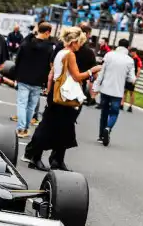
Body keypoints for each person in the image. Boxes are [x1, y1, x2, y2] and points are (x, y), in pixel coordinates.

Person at [24, 26, 101, 171]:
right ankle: (43, 158)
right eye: (79, 42)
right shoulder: (71, 54)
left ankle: (43, 157)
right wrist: (93, 70)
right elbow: (77, 76)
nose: (80, 45)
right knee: (56, 126)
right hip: (67, 96)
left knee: (55, 126)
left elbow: (51, 73)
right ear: (74, 41)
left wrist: (49, 90)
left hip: (57, 93)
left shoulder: (60, 51)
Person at [13, 22, 53, 138]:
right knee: (31, 106)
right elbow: (48, 66)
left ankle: (20, 128)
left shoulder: (26, 43)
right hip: (38, 80)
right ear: (47, 32)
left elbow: (18, 59)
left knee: (22, 104)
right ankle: (25, 128)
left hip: (24, 77)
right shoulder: (49, 47)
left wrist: (16, 75)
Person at [93, 38, 136, 146]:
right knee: (114, 112)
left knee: (104, 112)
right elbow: (132, 79)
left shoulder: (109, 55)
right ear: (128, 48)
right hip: (117, 91)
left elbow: (102, 72)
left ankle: (100, 136)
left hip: (105, 89)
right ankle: (108, 128)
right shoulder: (129, 60)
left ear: (118, 45)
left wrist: (96, 86)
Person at [123, 47, 142, 112]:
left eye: (131, 52)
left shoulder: (138, 59)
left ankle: (130, 106)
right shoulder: (130, 58)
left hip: (132, 78)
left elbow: (139, 70)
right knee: (124, 91)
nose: (130, 53)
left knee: (131, 92)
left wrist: (136, 79)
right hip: (127, 76)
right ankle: (122, 104)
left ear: (134, 52)